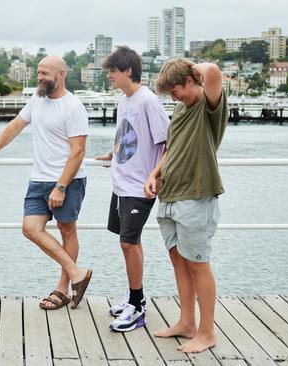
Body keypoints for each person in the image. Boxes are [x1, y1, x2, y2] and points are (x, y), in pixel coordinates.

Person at [0, 56, 92, 310]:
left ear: (61, 74)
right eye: (38, 73)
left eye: (44, 73)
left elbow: (78, 152)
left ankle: (63, 289)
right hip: (38, 178)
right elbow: (15, 127)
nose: (40, 77)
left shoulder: (73, 107)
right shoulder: (36, 100)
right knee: (30, 228)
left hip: (67, 180)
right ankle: (76, 273)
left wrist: (61, 186)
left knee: (66, 229)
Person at [145, 58, 228, 353]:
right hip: (169, 197)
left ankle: (207, 333)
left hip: (196, 196)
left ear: (191, 81)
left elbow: (213, 71)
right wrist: (155, 173)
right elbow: (172, 148)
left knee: (197, 263)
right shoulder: (180, 110)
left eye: (175, 90)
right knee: (179, 261)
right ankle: (187, 323)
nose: (173, 97)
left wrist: (183, 66)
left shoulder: (209, 106)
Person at [95, 46, 169, 332]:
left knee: (127, 243)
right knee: (131, 241)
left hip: (140, 186)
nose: (109, 76)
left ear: (128, 71)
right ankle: (134, 297)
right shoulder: (125, 101)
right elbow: (126, 136)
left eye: (112, 71)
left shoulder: (147, 101)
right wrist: (113, 154)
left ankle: (137, 306)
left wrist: (154, 175)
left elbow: (167, 143)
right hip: (121, 183)